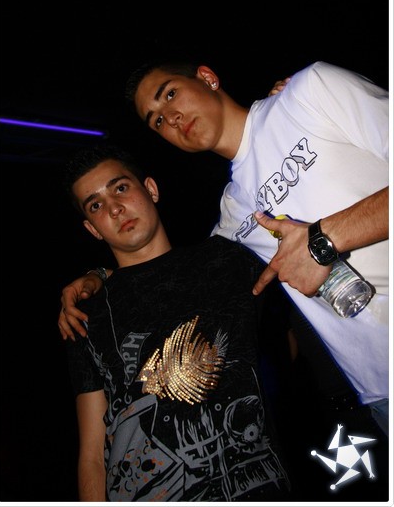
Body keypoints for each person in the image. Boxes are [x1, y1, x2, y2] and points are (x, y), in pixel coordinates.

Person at [60, 60, 389, 439]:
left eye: (170, 94)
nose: (171, 117)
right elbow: (178, 274)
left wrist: (323, 240)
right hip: (378, 390)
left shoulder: (308, 93)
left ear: (207, 78)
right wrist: (100, 277)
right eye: (157, 121)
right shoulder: (234, 214)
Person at [62, 144, 293, 502]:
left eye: (120, 187)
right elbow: (92, 454)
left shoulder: (229, 260)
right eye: (96, 205)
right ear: (93, 229)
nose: (114, 208)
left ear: (151, 189)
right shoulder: (86, 315)